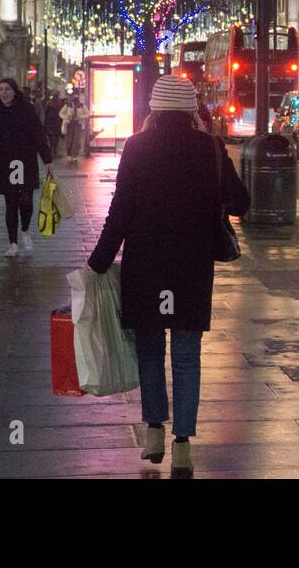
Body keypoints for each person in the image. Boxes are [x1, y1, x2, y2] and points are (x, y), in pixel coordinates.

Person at [88, 75, 249, 478]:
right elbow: (241, 202)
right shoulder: (209, 147)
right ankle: (183, 445)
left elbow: (120, 210)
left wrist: (98, 262)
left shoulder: (136, 147)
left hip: (147, 264)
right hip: (191, 266)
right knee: (187, 355)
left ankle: (155, 430)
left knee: (149, 349)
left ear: (154, 110)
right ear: (191, 109)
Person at [0, 78, 53, 258]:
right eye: (0, 89)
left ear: (15, 91)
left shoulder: (27, 110)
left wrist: (47, 160)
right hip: (4, 162)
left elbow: (38, 134)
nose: (3, 93)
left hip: (25, 161)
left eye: (7, 89)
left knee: (25, 200)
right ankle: (13, 243)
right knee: (11, 203)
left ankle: (24, 230)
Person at [60, 91, 89, 163]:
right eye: (74, 96)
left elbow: (88, 114)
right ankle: (69, 155)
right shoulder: (68, 105)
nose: (75, 98)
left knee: (77, 139)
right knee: (70, 139)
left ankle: (75, 155)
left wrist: (81, 117)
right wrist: (66, 117)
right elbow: (61, 113)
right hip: (70, 123)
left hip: (78, 123)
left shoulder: (82, 105)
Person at [43, 91, 64, 158]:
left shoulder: (51, 103)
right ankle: (53, 150)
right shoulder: (57, 103)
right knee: (53, 137)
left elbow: (46, 112)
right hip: (53, 122)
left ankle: (53, 150)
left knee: (54, 137)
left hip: (54, 122)